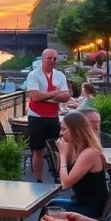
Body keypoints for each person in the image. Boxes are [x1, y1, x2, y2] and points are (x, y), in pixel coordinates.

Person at [48, 112, 108, 217]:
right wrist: (62, 153)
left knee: (51, 209)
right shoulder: (76, 149)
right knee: (51, 205)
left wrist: (62, 155)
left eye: (64, 129)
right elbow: (60, 174)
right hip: (79, 202)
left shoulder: (90, 153)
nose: (60, 133)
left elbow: (65, 184)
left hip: (91, 208)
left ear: (76, 131)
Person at [25, 49, 71, 183]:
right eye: (49, 58)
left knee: (57, 148)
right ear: (43, 59)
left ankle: (58, 177)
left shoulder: (60, 75)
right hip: (36, 117)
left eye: (55, 59)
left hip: (53, 116)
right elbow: (35, 96)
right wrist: (56, 93)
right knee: (37, 150)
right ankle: (38, 180)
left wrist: (45, 96)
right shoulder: (34, 75)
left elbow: (66, 97)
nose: (52, 61)